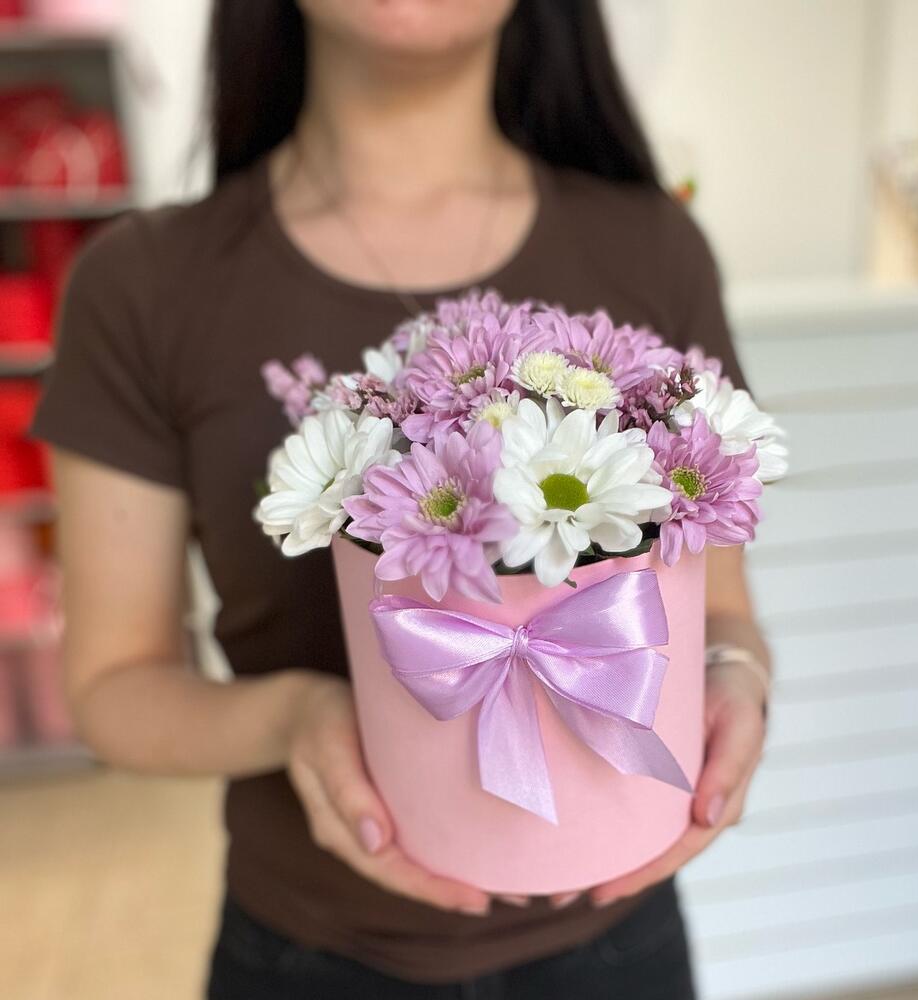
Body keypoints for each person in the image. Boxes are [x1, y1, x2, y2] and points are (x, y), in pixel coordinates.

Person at [31, 1, 771, 997]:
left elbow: (721, 608)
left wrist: (735, 677)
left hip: (618, 940)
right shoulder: (144, 283)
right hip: (306, 954)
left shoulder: (650, 246)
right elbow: (115, 687)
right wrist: (294, 719)